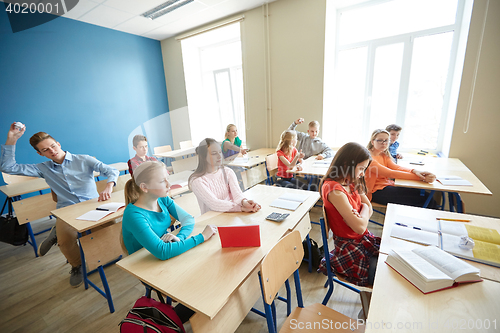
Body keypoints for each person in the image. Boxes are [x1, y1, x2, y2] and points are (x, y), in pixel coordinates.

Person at [0, 123, 119, 287]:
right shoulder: (43, 168)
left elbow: (112, 170)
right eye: (45, 150)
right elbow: (8, 167)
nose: (52, 151)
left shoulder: (84, 159)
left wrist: (108, 186)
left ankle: (57, 231)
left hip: (93, 205)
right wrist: (11, 140)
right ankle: (76, 265)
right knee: (65, 242)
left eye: (53, 146)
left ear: (58, 144)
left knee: (110, 232)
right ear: (40, 154)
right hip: (67, 211)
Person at [122, 160, 217, 323]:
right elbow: (162, 252)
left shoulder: (162, 199)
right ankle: (169, 321)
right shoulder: (134, 215)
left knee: (209, 271)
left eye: (168, 178)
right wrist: (201, 237)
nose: (169, 184)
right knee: (202, 284)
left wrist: (178, 238)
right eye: (162, 181)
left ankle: (193, 314)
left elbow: (188, 220)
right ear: (144, 187)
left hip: (165, 255)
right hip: (146, 266)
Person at [317, 142, 380, 287]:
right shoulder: (334, 190)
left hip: (363, 241)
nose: (362, 174)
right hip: (350, 251)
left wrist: (363, 210)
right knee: (389, 274)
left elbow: (369, 207)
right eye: (361, 169)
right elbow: (359, 228)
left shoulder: (350, 181)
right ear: (346, 164)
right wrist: (364, 213)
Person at [365, 129, 437, 207]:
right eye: (380, 140)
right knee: (425, 198)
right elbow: (390, 173)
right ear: (372, 142)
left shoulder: (382, 154)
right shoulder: (368, 158)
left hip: (385, 185)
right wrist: (421, 178)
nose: (384, 143)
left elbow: (396, 167)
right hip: (374, 192)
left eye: (386, 140)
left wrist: (415, 171)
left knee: (424, 195)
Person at [189, 138, 261, 215]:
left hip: (229, 215)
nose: (219, 156)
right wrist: (241, 208)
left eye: (220, 152)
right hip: (211, 221)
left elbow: (237, 194)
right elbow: (214, 204)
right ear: (203, 157)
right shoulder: (197, 181)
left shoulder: (228, 172)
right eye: (214, 153)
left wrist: (244, 202)